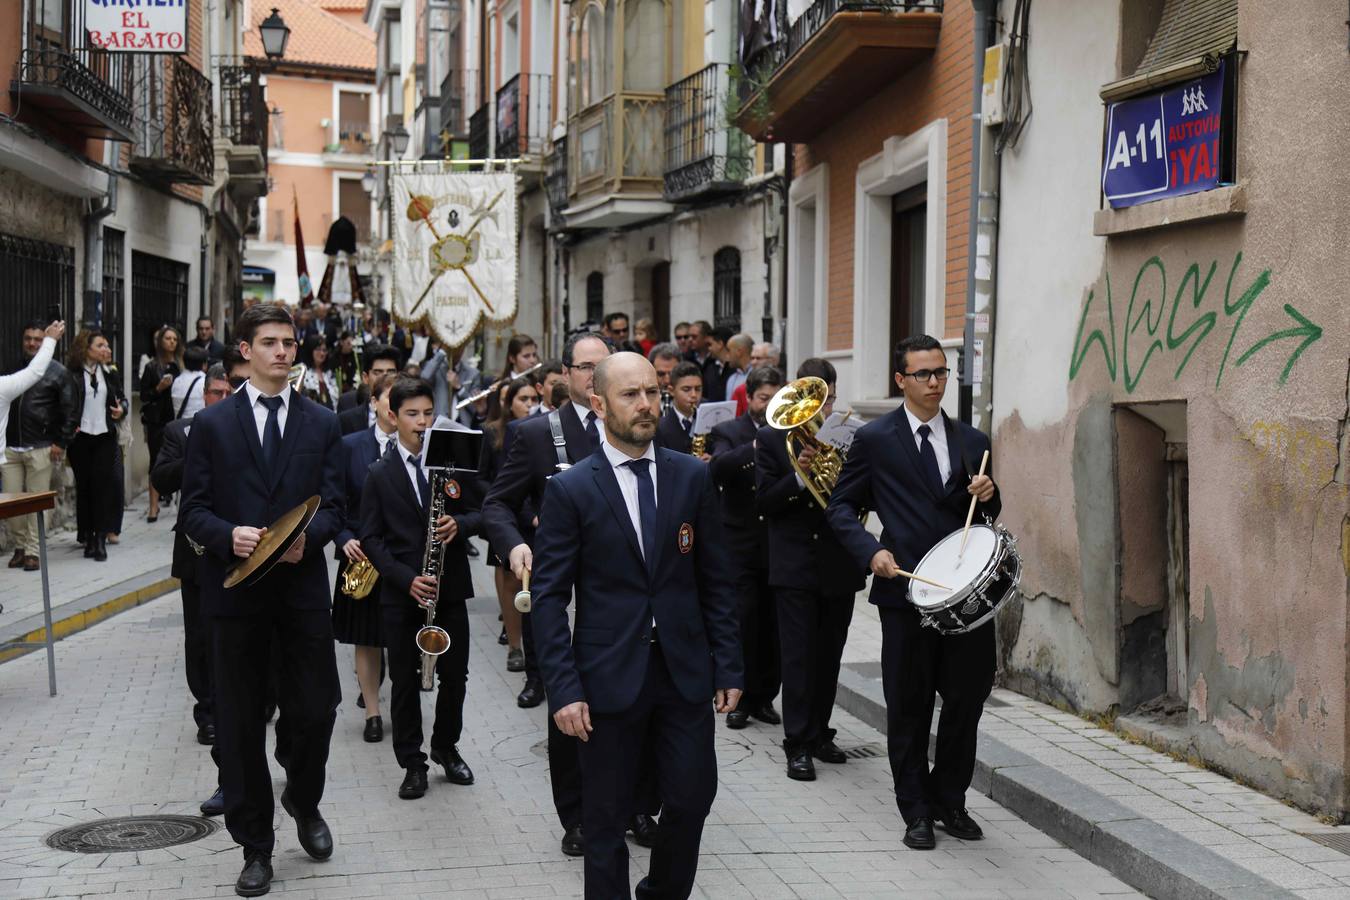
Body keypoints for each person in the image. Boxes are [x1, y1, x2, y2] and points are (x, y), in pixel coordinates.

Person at [530, 351, 743, 899]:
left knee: (692, 799)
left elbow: (716, 580)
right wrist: (564, 689)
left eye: (653, 392)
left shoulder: (691, 476)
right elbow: (550, 599)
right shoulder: (572, 489)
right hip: (605, 679)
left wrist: (729, 664)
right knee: (604, 822)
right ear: (598, 403)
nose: (646, 405)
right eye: (630, 394)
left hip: (683, 672)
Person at [180, 304, 344, 897]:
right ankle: (255, 845)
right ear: (245, 351)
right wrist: (229, 536)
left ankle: (303, 799)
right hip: (236, 599)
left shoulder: (322, 423)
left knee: (317, 710)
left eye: (288, 342)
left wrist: (310, 540)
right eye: (270, 342)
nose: (282, 352)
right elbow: (192, 512)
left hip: (301, 598)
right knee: (241, 724)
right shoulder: (215, 426)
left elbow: (338, 507)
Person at [826, 334, 999, 853]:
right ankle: (916, 808)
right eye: (923, 374)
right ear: (901, 380)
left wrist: (990, 496)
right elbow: (840, 507)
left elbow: (988, 518)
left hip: (965, 595)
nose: (934, 382)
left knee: (967, 699)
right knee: (909, 704)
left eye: (941, 372)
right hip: (905, 591)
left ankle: (950, 798)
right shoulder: (875, 439)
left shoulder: (973, 439)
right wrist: (869, 552)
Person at [359, 377, 482, 800]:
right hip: (403, 592)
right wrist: (404, 578)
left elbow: (484, 510)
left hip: (448, 590)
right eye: (413, 414)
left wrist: (460, 524)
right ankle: (412, 762)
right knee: (406, 683)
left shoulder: (451, 462)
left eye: (429, 413)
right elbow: (371, 539)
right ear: (393, 416)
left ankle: (446, 748)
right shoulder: (378, 473)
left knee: (456, 676)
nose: (423, 421)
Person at [756, 358, 864, 781]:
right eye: (819, 398)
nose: (824, 408)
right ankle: (796, 743)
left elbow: (860, 495)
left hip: (838, 562)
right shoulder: (771, 440)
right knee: (798, 658)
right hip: (795, 564)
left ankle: (820, 732)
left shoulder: (851, 437)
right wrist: (802, 474)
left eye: (830, 398)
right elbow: (764, 502)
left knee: (830, 656)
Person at [150, 363, 234, 816]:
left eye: (226, 392)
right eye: (213, 392)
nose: (219, 399)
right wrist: (200, 452)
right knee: (199, 636)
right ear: (203, 395)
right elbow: (161, 479)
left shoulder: (243, 429)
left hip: (238, 553)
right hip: (196, 555)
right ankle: (207, 712)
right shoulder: (181, 431)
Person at [708, 365, 785, 731]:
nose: (769, 405)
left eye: (775, 398)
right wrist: (756, 447)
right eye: (763, 398)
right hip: (739, 543)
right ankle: (737, 697)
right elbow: (718, 468)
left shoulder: (792, 432)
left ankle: (764, 697)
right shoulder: (729, 431)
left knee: (772, 626)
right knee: (743, 623)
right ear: (749, 398)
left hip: (776, 543)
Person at [332, 372, 399, 743]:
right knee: (366, 638)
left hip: (402, 556)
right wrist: (342, 537)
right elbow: (332, 499)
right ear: (373, 402)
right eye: (390, 399)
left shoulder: (421, 447)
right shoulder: (348, 446)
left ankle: (404, 706)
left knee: (400, 635)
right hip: (360, 557)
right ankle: (373, 712)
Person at [478, 378, 540, 673]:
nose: (528, 404)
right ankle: (515, 644)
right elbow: (482, 478)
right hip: (506, 515)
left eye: (532, 398)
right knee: (510, 580)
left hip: (533, 515)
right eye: (522, 398)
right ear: (508, 403)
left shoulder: (542, 431)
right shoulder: (494, 433)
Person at [3, 320, 74, 573]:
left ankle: (33, 551)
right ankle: (20, 547)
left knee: (34, 503)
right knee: (11, 503)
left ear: (45, 342)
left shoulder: (57, 371)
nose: (32, 343)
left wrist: (60, 441)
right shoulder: (13, 367)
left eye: (37, 339)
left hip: (41, 445)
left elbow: (68, 409)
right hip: (11, 448)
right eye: (28, 339)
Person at [67, 329, 127, 562]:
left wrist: (122, 409)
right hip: (80, 438)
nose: (106, 350)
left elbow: (122, 399)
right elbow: (64, 403)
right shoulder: (71, 374)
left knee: (103, 486)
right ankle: (88, 536)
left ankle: (101, 537)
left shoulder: (110, 373)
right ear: (86, 347)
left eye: (106, 345)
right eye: (100, 345)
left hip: (104, 436)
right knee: (85, 488)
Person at [139, 324, 184, 522]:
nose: (171, 342)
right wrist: (159, 387)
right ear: (160, 342)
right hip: (157, 421)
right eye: (168, 338)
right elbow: (143, 396)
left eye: (174, 339)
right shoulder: (151, 366)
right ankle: (153, 506)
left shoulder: (181, 366)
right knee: (155, 461)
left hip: (177, 418)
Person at [337, 346, 401, 435]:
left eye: (391, 372)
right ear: (365, 378)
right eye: (378, 373)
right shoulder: (347, 420)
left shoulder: (410, 416)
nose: (384, 378)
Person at [655, 361, 703, 456]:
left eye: (698, 389)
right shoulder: (660, 428)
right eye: (686, 389)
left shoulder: (708, 420)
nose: (694, 395)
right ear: (671, 391)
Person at [731, 343, 781, 416]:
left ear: (774, 360)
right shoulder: (741, 390)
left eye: (758, 358)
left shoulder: (787, 387)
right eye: (752, 358)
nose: (753, 362)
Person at [298, 335, 339, 410]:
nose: (322, 353)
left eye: (324, 350)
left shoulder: (329, 373)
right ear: (310, 350)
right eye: (318, 349)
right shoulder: (302, 370)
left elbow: (336, 397)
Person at [171, 346, 210, 421]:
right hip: (197, 427)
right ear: (204, 364)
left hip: (179, 427)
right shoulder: (205, 381)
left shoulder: (176, 381)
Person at [700, 326, 733, 402]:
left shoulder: (735, 368)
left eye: (710, 344)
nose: (709, 348)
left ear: (720, 344)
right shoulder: (709, 367)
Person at [647, 343, 681, 416]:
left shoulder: (696, 403)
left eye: (672, 373)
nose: (667, 381)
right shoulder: (642, 402)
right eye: (661, 374)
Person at [721, 334, 754, 400]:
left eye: (728, 351)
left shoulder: (758, 376)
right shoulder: (731, 379)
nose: (726, 356)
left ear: (739, 352)